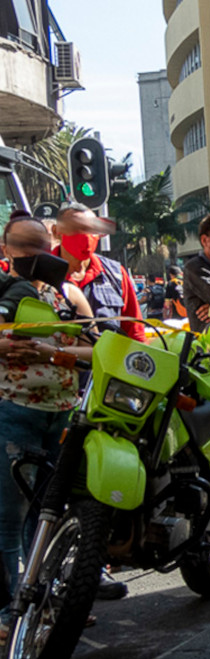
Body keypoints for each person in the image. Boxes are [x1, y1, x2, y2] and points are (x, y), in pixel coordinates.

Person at [0, 216, 96, 615]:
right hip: (13, 412)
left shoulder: (68, 296)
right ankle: (9, 611)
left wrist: (50, 353)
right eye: (22, 247)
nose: (30, 255)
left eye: (37, 246)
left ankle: (44, 603)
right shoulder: (6, 291)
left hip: (62, 418)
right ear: (6, 250)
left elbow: (99, 348)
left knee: (47, 515)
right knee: (9, 518)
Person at [54, 203, 146, 342]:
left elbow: (134, 331)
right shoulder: (40, 273)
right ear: (57, 232)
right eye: (76, 229)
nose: (85, 236)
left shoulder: (115, 273)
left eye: (92, 230)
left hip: (110, 360)